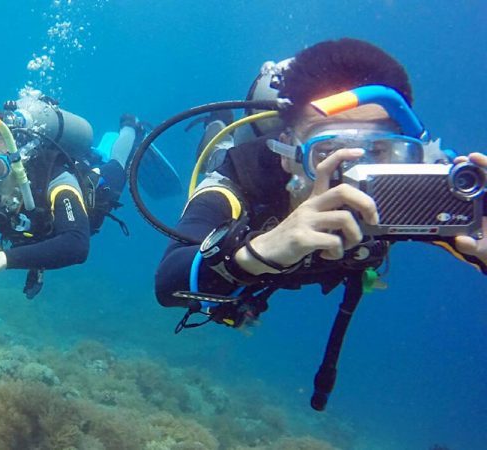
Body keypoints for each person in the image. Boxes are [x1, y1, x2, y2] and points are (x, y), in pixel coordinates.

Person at [153, 38, 486, 409]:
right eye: (328, 152)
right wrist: (256, 252)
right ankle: (217, 128)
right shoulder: (243, 178)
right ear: (288, 153)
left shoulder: (410, 191)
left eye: (380, 152)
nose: (355, 175)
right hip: (245, 184)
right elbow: (169, 283)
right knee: (216, 152)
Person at [0, 93, 167, 298]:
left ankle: (130, 128)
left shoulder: (53, 177)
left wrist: (0, 259)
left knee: (116, 166)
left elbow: (76, 244)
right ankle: (103, 147)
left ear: (14, 159)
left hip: (91, 191)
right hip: (37, 231)